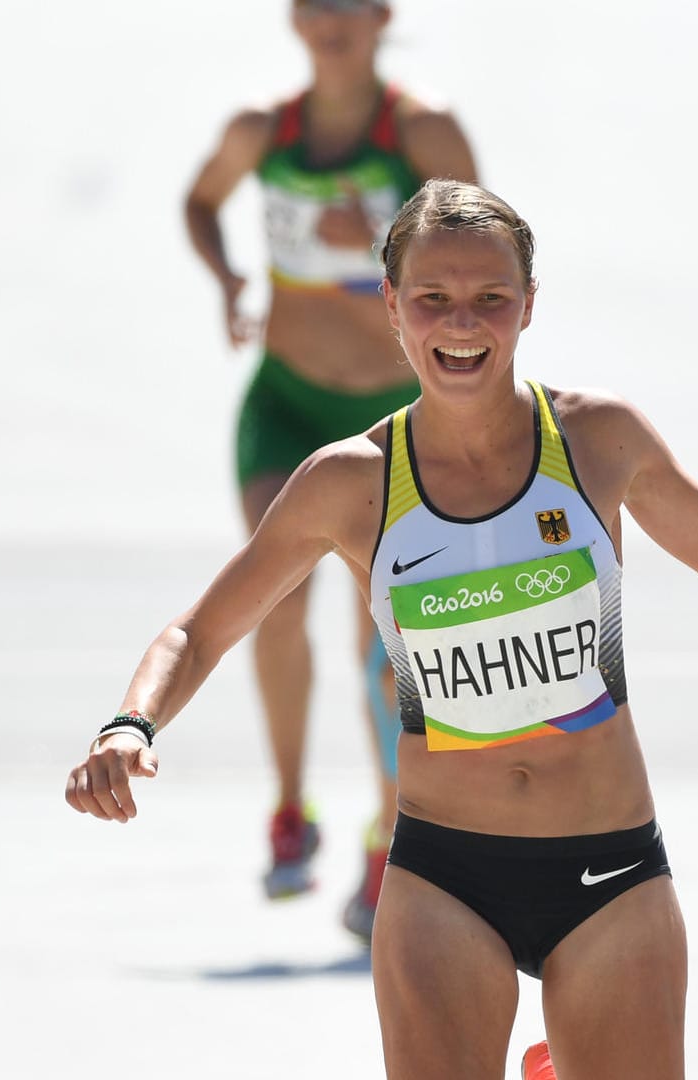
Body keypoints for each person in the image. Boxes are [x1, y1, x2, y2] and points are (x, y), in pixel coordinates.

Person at [68, 179, 698, 1079]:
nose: (461, 325)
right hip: (441, 876)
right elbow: (200, 631)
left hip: (610, 870)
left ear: (529, 305)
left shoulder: (596, 439)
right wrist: (130, 724)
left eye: (489, 300)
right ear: (391, 304)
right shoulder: (349, 484)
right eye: (433, 299)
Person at [182, 0, 477, 936]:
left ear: (384, 15)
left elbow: (485, 247)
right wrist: (229, 278)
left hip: (389, 418)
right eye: (315, 4)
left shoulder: (421, 127)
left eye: (350, 4)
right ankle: (287, 811)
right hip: (286, 402)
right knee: (267, 593)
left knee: (382, 638)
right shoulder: (260, 128)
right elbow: (198, 200)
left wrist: (390, 236)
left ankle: (388, 840)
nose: (331, 21)